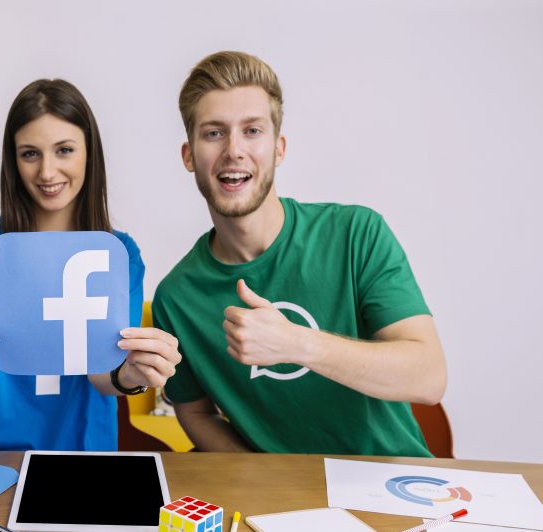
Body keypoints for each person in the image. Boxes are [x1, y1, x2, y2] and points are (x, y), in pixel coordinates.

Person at [152, 51, 446, 457]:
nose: (234, 150)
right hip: (277, 497)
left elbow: (429, 377)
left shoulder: (356, 234)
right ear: (189, 155)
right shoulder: (177, 297)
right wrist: (262, 481)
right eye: (214, 133)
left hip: (392, 482)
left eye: (252, 131)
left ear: (279, 149)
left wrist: (296, 344)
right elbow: (195, 413)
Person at [0, 79, 181, 451]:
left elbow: (103, 375)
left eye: (64, 150)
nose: (47, 172)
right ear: (13, 161)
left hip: (82, 456)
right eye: (30, 154)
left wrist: (131, 374)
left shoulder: (120, 253)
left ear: (89, 154)